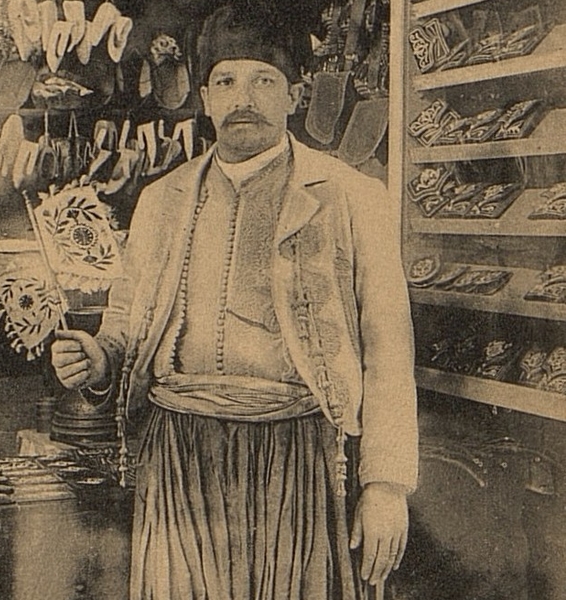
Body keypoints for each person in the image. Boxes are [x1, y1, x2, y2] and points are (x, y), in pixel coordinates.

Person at [50, 6, 418, 600]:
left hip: (292, 455)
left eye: (263, 81)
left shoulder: (352, 197)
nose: (242, 97)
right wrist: (97, 360)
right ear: (203, 96)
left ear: (295, 95)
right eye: (225, 81)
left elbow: (389, 349)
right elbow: (125, 325)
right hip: (179, 456)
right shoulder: (161, 199)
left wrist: (387, 486)